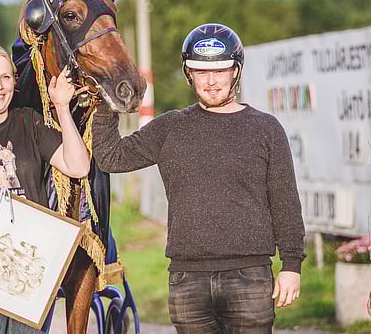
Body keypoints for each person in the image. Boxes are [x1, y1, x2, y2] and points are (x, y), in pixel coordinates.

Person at [91, 23, 306, 333]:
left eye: (220, 71)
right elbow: (111, 157)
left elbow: (285, 202)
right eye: (202, 72)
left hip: (250, 278)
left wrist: (292, 265)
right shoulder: (170, 127)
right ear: (188, 73)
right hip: (187, 282)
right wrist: (106, 101)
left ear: (236, 71)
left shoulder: (266, 129)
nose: (211, 81)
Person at [0, 41, 90, 334]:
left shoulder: (29, 121)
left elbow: (78, 166)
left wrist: (62, 107)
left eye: (6, 77)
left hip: (31, 262)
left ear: (15, 82)